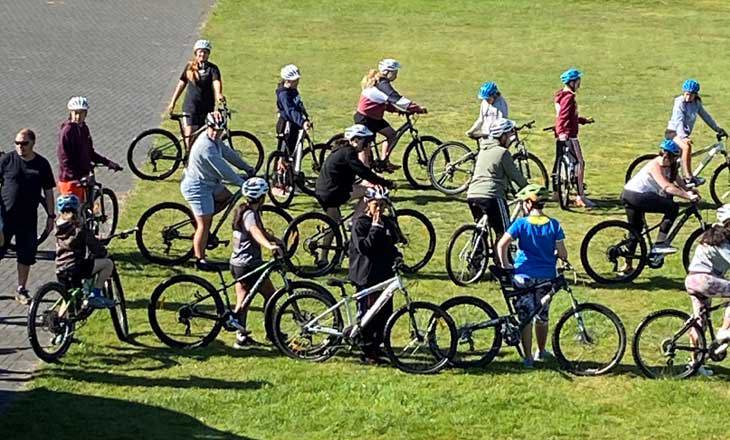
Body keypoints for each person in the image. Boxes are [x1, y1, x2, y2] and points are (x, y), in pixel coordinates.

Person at [496, 184, 567, 368]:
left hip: (523, 276)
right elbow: (562, 253)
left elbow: (502, 245)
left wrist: (506, 265)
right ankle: (541, 351)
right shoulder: (554, 225)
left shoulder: (520, 224)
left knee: (525, 318)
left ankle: (527, 358)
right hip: (546, 277)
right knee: (542, 316)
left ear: (528, 204)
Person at [181, 111, 254, 267]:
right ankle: (200, 259)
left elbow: (228, 154)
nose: (216, 133)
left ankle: (201, 217)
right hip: (197, 186)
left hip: (209, 183)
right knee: (204, 225)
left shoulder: (214, 140)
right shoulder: (205, 147)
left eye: (220, 130)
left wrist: (246, 167)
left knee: (226, 197)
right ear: (208, 126)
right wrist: (242, 183)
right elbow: (224, 170)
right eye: (213, 129)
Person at [314, 124, 393, 267]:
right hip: (332, 192)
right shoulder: (348, 153)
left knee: (334, 224)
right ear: (355, 140)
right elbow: (363, 172)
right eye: (365, 142)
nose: (367, 145)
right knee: (370, 190)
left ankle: (323, 259)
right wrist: (384, 182)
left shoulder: (341, 150)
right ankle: (355, 221)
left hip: (325, 190)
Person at [0, 128, 56, 304]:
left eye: (24, 143)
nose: (20, 147)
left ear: (33, 143)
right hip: (5, 217)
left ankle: (21, 289)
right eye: (17, 143)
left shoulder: (42, 164)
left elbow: (48, 191)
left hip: (28, 218)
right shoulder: (7, 160)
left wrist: (51, 216)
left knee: (25, 255)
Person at [622, 139, 699, 263]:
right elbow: (667, 187)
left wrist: (690, 190)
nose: (665, 159)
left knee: (635, 230)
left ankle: (628, 267)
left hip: (632, 194)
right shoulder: (655, 165)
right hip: (635, 195)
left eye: (669, 157)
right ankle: (659, 244)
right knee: (672, 208)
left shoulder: (672, 165)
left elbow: (678, 181)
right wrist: (687, 196)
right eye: (663, 155)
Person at [349, 187, 401, 364]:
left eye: (382, 205)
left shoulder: (386, 221)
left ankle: (378, 346)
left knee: (385, 313)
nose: (379, 209)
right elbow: (365, 248)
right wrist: (375, 227)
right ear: (367, 204)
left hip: (383, 274)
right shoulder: (360, 223)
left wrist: (397, 256)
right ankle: (367, 350)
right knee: (369, 315)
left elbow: (391, 243)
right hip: (366, 275)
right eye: (376, 205)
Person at [229, 177, 282, 348]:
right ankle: (273, 333)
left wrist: (274, 239)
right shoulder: (250, 214)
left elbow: (261, 231)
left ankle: (241, 337)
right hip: (249, 264)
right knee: (271, 296)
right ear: (261, 197)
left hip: (237, 263)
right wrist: (269, 246)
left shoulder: (242, 210)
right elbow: (255, 232)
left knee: (243, 301)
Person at [466, 117, 528, 263]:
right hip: (492, 196)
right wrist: (529, 189)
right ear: (502, 136)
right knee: (505, 231)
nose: (511, 139)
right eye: (509, 135)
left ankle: (475, 262)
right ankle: (503, 263)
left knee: (481, 229)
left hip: (473, 194)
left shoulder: (483, 150)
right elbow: (515, 176)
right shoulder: (502, 153)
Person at [354, 58, 427, 172]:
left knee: (392, 135)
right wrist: (417, 108)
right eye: (395, 72)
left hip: (375, 118)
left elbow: (385, 103)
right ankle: (366, 175)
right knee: (365, 148)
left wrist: (400, 111)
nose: (396, 75)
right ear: (388, 72)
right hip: (366, 119)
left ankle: (384, 161)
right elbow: (396, 99)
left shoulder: (381, 82)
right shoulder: (382, 84)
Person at [684, 205, 730, 377]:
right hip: (706, 280)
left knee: (699, 322)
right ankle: (725, 330)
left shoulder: (712, 237)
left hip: (693, 279)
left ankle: (695, 364)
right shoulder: (723, 242)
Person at [54, 194, 115, 309]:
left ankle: (60, 319)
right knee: (107, 264)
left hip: (60, 269)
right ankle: (95, 295)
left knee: (69, 300)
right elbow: (94, 247)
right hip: (75, 267)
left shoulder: (58, 226)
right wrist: (104, 252)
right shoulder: (80, 229)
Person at [57, 96, 122, 201]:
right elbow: (64, 159)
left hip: (83, 177)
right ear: (71, 113)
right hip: (71, 181)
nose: (78, 116)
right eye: (75, 113)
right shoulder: (67, 131)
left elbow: (90, 153)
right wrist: (77, 177)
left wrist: (108, 163)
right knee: (71, 214)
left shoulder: (84, 128)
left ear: (86, 114)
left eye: (81, 113)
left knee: (85, 210)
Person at [666, 79, 727, 186]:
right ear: (684, 92)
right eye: (687, 94)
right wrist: (684, 137)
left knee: (677, 161)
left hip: (682, 135)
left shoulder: (696, 103)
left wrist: (718, 129)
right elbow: (678, 121)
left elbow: (706, 116)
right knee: (686, 147)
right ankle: (689, 178)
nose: (688, 97)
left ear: (696, 94)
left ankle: (680, 181)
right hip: (673, 132)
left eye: (691, 95)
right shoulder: (679, 102)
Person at [167, 39, 224, 151]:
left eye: (205, 52)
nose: (202, 54)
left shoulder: (212, 69)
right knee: (189, 135)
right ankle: (188, 160)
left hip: (207, 107)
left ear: (208, 54)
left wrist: (219, 94)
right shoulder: (189, 67)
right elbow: (181, 84)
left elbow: (216, 81)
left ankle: (196, 161)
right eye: (200, 52)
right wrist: (173, 102)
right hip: (191, 107)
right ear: (196, 53)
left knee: (202, 137)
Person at [553, 68, 594, 208]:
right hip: (569, 135)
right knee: (580, 163)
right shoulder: (569, 98)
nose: (579, 83)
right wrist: (562, 132)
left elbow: (570, 116)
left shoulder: (561, 95)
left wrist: (583, 120)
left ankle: (557, 192)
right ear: (572, 82)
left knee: (565, 163)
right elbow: (563, 117)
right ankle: (580, 196)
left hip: (562, 134)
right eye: (578, 81)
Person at [276, 64, 310, 154]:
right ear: (287, 81)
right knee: (286, 154)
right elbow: (291, 111)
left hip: (295, 124)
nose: (297, 82)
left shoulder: (293, 89)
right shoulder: (284, 94)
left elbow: (299, 104)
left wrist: (306, 117)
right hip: (287, 126)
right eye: (295, 81)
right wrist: (302, 122)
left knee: (294, 152)